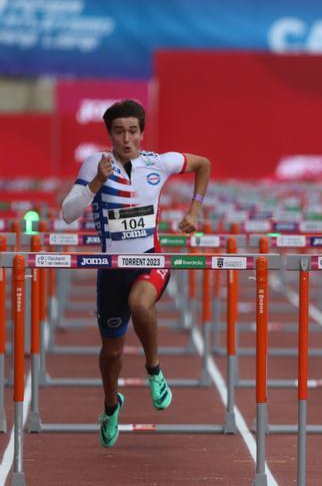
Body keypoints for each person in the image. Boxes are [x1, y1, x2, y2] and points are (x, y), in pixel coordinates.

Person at [61, 99, 211, 447]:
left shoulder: (158, 163)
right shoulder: (94, 164)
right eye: (118, 132)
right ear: (109, 135)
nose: (126, 138)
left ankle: (154, 370)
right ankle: (111, 406)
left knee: (141, 305)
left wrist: (196, 210)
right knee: (111, 354)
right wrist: (97, 181)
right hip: (111, 269)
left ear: (142, 133)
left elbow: (204, 164)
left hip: (150, 260)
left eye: (132, 131)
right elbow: (68, 213)